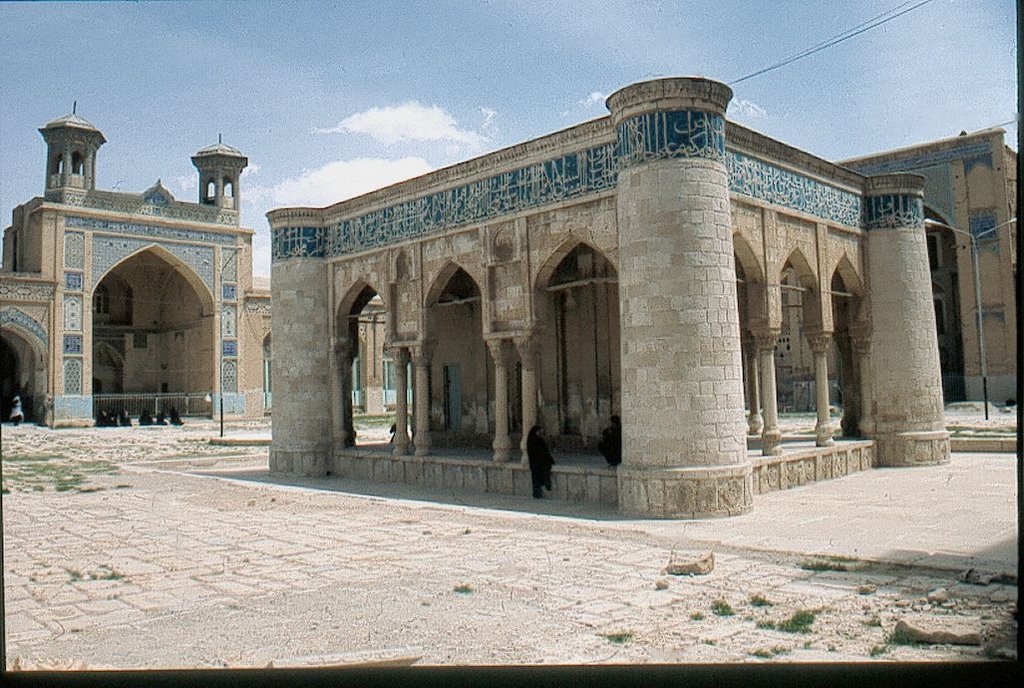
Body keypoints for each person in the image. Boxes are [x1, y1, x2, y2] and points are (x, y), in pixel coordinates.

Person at [525, 425, 554, 499]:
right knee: (536, 478)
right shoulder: (534, 440)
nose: (540, 433)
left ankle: (538, 493)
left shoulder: (535, 439)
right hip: (536, 462)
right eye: (539, 432)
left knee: (536, 478)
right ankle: (537, 493)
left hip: (536, 462)